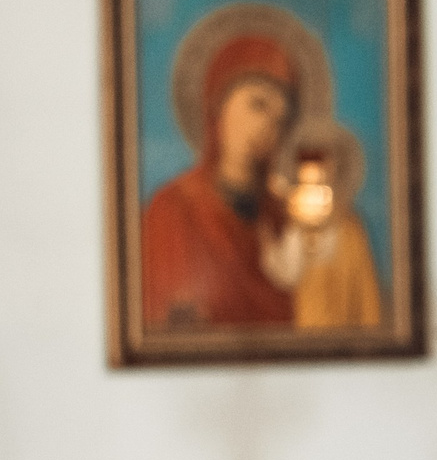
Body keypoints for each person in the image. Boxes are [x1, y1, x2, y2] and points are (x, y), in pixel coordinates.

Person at [139, 33, 300, 329]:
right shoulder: (171, 209)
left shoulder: (282, 218)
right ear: (218, 104)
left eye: (280, 120)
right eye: (257, 105)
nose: (266, 126)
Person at [265, 136, 384, 329]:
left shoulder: (350, 229)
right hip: (303, 330)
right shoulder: (292, 227)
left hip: (345, 331)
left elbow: (366, 293)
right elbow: (284, 275)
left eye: (320, 176)